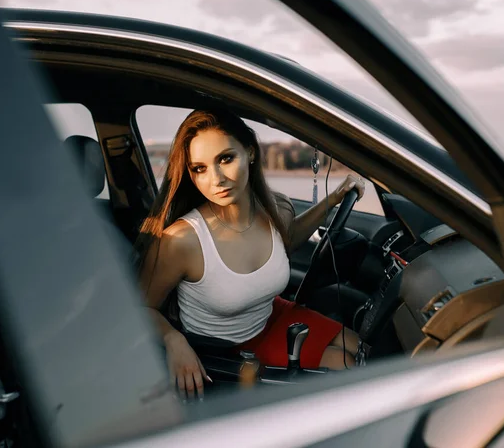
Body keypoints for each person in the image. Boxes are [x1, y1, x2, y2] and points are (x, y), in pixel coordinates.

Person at [137, 108, 366, 399]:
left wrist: (333, 199)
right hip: (227, 350)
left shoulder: (275, 208)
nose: (216, 179)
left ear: (250, 153)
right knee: (348, 367)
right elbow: (140, 307)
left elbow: (288, 238)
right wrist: (173, 339)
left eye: (225, 159)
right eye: (200, 169)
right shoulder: (181, 241)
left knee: (362, 349)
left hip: (273, 313)